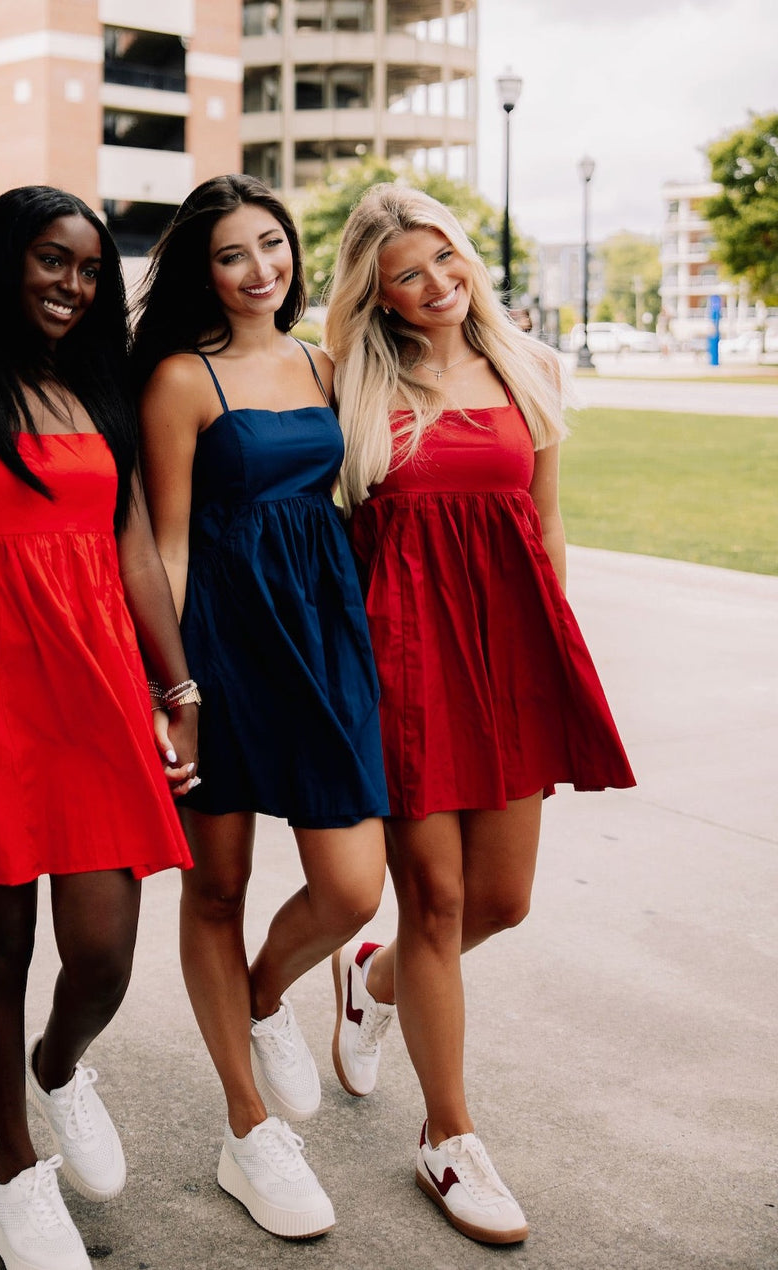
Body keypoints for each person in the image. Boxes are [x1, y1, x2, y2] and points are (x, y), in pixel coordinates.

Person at [0, 185, 199, 1270]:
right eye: (53, 261)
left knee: (104, 948)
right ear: (4, 262)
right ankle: (14, 1170)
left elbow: (139, 555)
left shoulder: (101, 395)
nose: (73, 284)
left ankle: (60, 1065)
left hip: (99, 693)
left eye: (90, 270)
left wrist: (180, 689)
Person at [324, 184, 635, 1246]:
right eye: (409, 273)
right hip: (400, 660)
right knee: (442, 901)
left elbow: (545, 529)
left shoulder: (532, 370)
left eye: (446, 258)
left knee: (502, 901)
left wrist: (556, 658)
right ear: (381, 294)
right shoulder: (354, 385)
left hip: (507, 655)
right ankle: (448, 1137)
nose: (439, 283)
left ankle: (372, 973)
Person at [131, 174, 390, 1240]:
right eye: (233, 253)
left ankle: (268, 997)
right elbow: (170, 541)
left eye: (273, 245)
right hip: (227, 645)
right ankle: (248, 1129)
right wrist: (174, 688)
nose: (259, 269)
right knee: (215, 888)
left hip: (323, 636)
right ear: (205, 267)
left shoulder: (327, 362)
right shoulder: (183, 380)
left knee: (351, 889)